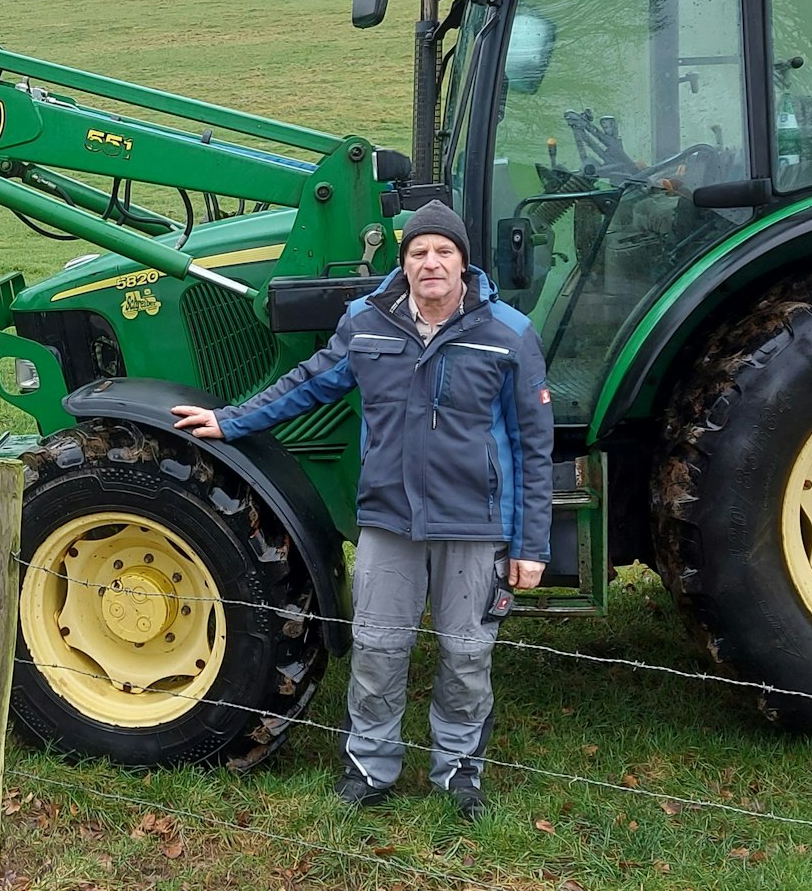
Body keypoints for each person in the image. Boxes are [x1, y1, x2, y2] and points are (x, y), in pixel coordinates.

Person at [170, 200, 552, 821]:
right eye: (419, 253)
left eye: (444, 252)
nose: (431, 263)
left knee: (466, 653)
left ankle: (458, 772)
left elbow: (534, 445)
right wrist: (229, 419)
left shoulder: (507, 333)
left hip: (475, 524)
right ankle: (371, 768)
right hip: (389, 519)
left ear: (463, 263)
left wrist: (532, 545)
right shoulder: (367, 323)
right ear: (403, 265)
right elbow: (307, 382)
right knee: (378, 648)